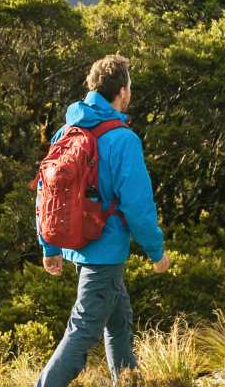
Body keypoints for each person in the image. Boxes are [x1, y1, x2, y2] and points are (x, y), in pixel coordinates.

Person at [34, 54, 169, 387]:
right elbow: (138, 207)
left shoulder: (66, 131)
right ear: (122, 91)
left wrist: (49, 245)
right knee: (82, 330)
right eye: (130, 88)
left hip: (78, 245)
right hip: (104, 253)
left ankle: (128, 381)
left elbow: (45, 190)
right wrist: (156, 252)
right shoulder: (123, 139)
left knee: (119, 321)